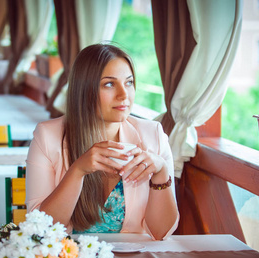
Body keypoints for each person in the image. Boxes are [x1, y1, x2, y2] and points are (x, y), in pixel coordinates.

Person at [26, 43, 179, 240]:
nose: (124, 95)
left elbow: (161, 233)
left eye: (129, 82)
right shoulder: (47, 136)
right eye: (109, 84)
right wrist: (77, 171)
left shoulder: (154, 135)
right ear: (84, 90)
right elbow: (40, 230)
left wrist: (161, 172)